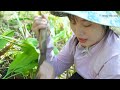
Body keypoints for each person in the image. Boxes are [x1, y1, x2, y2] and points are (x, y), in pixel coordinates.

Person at [31, 11, 120, 79]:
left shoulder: (114, 58)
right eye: (73, 22)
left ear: (104, 23)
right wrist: (44, 41)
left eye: (86, 24)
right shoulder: (76, 41)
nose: (77, 32)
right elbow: (52, 70)